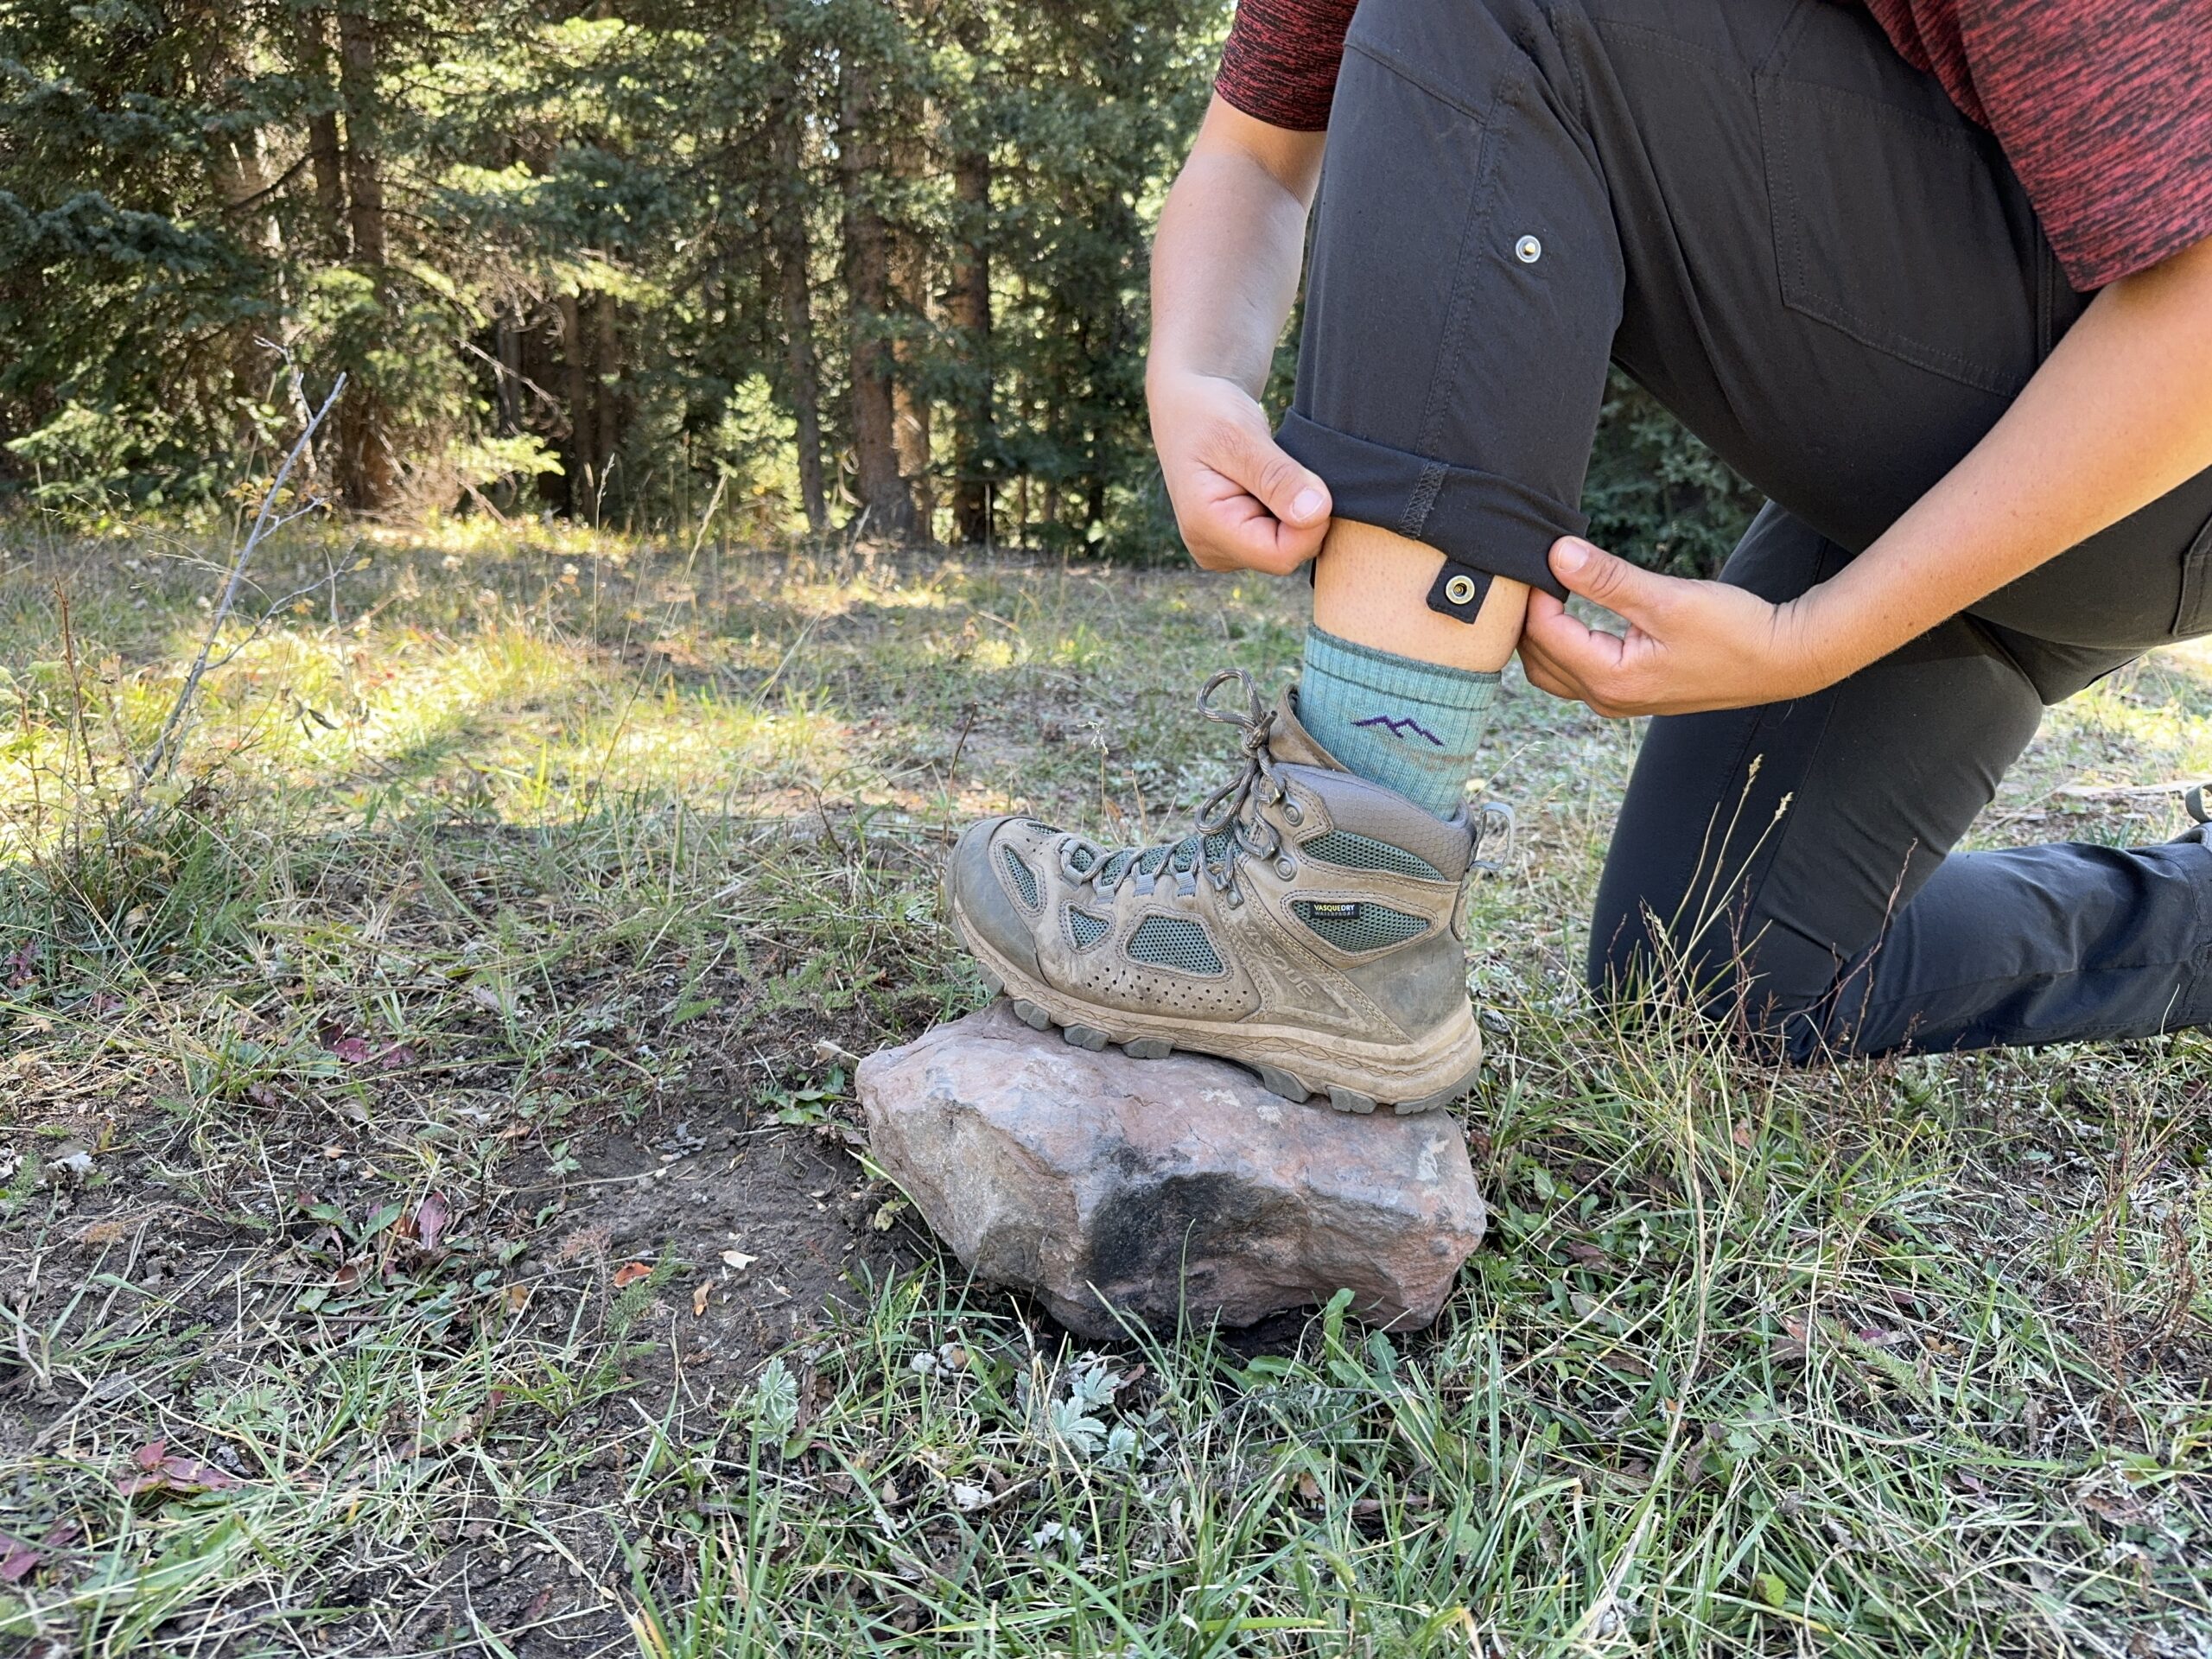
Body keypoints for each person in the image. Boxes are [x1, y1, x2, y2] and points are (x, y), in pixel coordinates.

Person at [946, 0, 2212, 1110]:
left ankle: (1342, 895)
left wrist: (1813, 637)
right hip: (2003, 455)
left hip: (2162, 433)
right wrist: (1196, 371)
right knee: (1710, 974)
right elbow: (1255, 155)